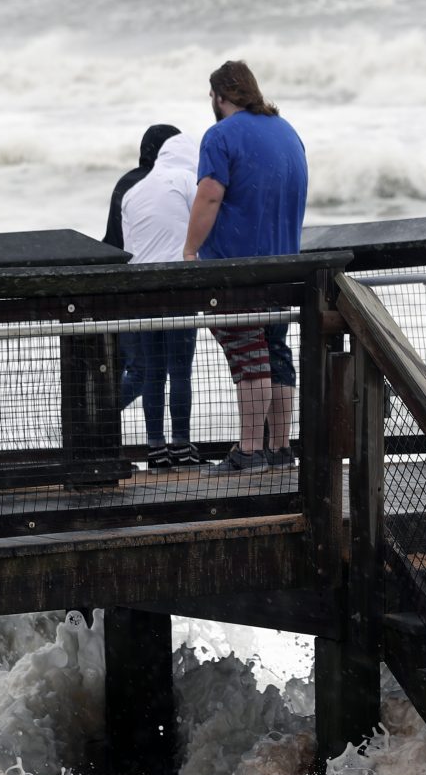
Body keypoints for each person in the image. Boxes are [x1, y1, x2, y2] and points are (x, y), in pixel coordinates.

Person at [182, 60, 308, 475]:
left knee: (247, 353)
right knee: (275, 352)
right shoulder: (287, 131)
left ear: (219, 97)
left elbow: (210, 195)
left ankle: (250, 451)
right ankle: (280, 448)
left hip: (235, 267)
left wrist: (189, 251)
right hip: (285, 265)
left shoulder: (220, 135)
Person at [119, 131, 201, 467]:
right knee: (180, 370)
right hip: (178, 287)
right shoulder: (186, 180)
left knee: (153, 371)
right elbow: (205, 226)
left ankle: (155, 449)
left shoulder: (133, 191)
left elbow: (127, 249)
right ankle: (182, 447)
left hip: (142, 290)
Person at [102, 123, 181, 413]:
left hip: (114, 286)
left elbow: (115, 238)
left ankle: (96, 435)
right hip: (140, 289)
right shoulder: (160, 186)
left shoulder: (127, 181)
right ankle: (96, 423)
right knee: (144, 371)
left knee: (120, 368)